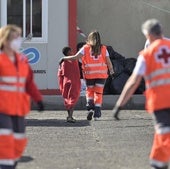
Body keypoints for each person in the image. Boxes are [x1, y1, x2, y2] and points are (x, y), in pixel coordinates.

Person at [112, 19, 170, 169]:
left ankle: (158, 162)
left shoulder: (147, 54)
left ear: (148, 34)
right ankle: (158, 162)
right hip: (162, 101)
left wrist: (119, 105)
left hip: (160, 101)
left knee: (164, 130)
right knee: (163, 131)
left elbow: (133, 81)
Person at [0, 24, 44, 169]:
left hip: (19, 108)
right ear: (5, 40)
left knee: (19, 140)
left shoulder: (22, 60)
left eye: (18, 37)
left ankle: (10, 163)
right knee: (5, 139)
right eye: (14, 38)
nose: (18, 41)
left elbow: (29, 83)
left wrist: (38, 99)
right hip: (3, 109)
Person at [60, 31, 114, 121]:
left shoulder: (85, 48)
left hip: (89, 75)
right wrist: (111, 71)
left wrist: (64, 58)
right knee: (98, 93)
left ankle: (90, 108)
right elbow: (108, 62)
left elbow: (75, 57)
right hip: (101, 75)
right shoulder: (104, 48)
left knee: (89, 91)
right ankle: (97, 113)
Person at [58, 47, 81, 123]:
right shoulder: (73, 60)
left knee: (67, 99)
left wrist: (61, 84)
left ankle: (69, 116)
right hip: (73, 82)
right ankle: (70, 117)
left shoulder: (62, 63)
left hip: (65, 82)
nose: (72, 52)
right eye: (71, 51)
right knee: (73, 99)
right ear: (69, 52)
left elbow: (59, 74)